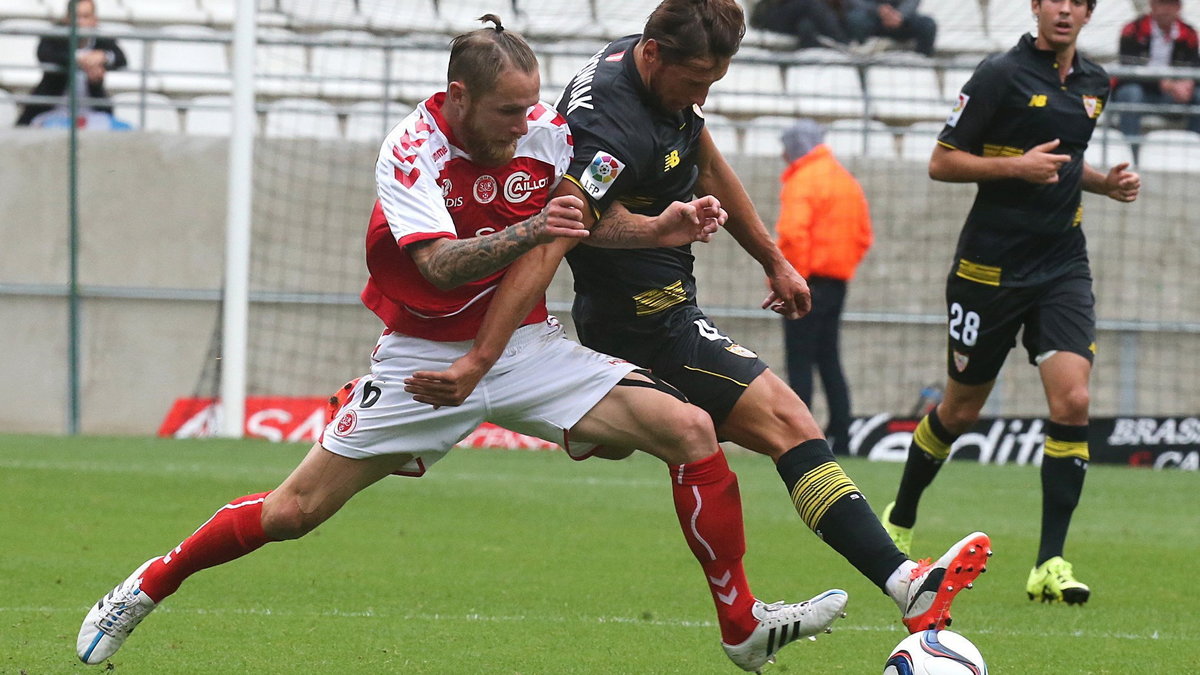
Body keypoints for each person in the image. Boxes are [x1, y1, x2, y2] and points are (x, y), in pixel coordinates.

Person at [75, 16, 852, 671]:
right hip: (423, 360)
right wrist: (534, 227)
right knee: (290, 512)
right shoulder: (410, 152)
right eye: (511, 112)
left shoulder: (547, 134)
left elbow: (582, 218)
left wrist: (657, 226)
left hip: (524, 347)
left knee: (686, 429)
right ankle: (147, 585)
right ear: (458, 98)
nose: (532, 125)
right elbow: (440, 265)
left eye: (533, 108)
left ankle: (743, 627)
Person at [553, 0, 991, 648]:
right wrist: (659, 227)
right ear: (653, 56)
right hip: (645, 320)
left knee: (718, 430)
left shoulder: (661, 74)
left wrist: (774, 260)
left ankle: (600, 423)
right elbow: (574, 215)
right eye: (696, 83)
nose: (701, 96)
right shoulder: (609, 124)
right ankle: (905, 584)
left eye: (712, 83)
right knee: (789, 420)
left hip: (664, 304)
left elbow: (709, 163)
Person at [880, 0, 1141, 606]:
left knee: (1073, 400)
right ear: (1037, 7)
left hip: (1062, 265)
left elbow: (1066, 162)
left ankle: (1049, 561)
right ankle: (903, 513)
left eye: (1078, 2)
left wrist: (1105, 182)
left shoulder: (1096, 83)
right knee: (961, 411)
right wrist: (1015, 167)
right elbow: (941, 162)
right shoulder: (999, 73)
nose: (1065, 10)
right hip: (988, 270)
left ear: (1088, 13)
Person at [774, 119, 873, 456]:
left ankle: (801, 438)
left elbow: (792, 235)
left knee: (799, 359)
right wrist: (840, 267)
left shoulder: (802, 181)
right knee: (829, 358)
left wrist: (789, 282)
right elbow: (863, 236)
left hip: (805, 282)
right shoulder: (845, 180)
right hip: (837, 282)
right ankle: (841, 436)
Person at [15, 0, 130, 129]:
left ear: (94, 20)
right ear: (66, 19)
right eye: (76, 16)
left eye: (85, 16)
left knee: (124, 129)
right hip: (52, 111)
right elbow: (46, 55)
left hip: (92, 113)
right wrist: (82, 60)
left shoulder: (101, 39)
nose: (79, 22)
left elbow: (121, 59)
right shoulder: (54, 37)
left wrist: (103, 57)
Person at [1112, 0, 1200, 139]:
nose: (1166, 9)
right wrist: (1166, 84)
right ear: (1152, 5)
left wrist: (1188, 83)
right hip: (1141, 92)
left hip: (1172, 96)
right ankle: (1130, 153)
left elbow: (1194, 66)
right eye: (1162, 4)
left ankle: (1192, 151)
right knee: (1131, 93)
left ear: (1179, 7)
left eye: (1171, 4)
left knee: (1198, 95)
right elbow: (1128, 69)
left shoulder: (1189, 33)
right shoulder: (1132, 29)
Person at [749, 0, 855, 50]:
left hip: (791, 16)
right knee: (810, 4)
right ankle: (843, 42)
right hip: (767, 16)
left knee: (806, 25)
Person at [844, 0, 938, 56]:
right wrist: (877, 10)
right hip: (871, 18)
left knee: (928, 25)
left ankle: (922, 63)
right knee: (855, 19)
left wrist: (900, 15)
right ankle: (860, 60)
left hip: (900, 20)